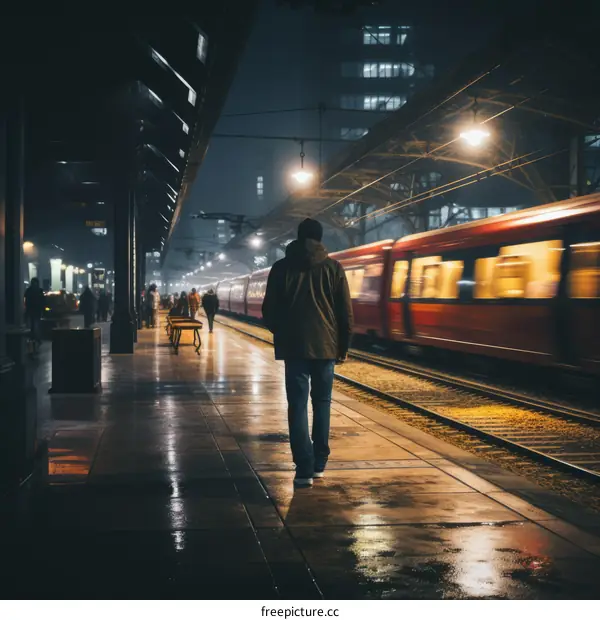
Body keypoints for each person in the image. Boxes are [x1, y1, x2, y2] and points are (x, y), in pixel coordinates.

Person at [262, 218, 353, 488]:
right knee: (322, 402)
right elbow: (345, 313)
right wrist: (343, 346)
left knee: (298, 405)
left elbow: (269, 311)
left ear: (298, 238)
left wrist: (283, 332)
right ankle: (319, 463)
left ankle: (303, 468)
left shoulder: (280, 268)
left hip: (294, 348)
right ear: (320, 239)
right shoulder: (334, 268)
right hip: (326, 347)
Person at [24, 277, 45, 345]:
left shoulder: (28, 290)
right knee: (35, 325)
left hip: (32, 310)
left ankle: (34, 338)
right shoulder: (39, 290)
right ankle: (36, 338)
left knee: (33, 325)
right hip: (35, 310)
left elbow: (26, 300)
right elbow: (42, 301)